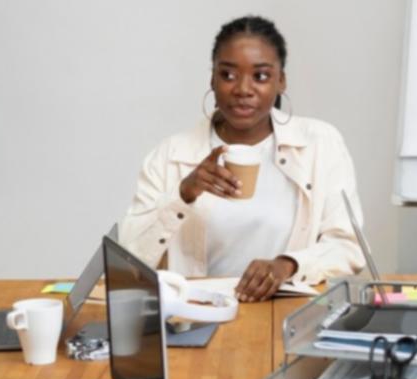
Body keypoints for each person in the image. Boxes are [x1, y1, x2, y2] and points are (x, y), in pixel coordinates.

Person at [118, 15, 363, 301]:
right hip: (199, 314)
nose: (243, 90)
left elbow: (348, 247)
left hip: (287, 314)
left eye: (260, 76)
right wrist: (183, 193)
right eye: (228, 75)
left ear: (280, 81)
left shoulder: (320, 144)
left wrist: (288, 266)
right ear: (212, 79)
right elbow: (127, 263)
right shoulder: (171, 155)